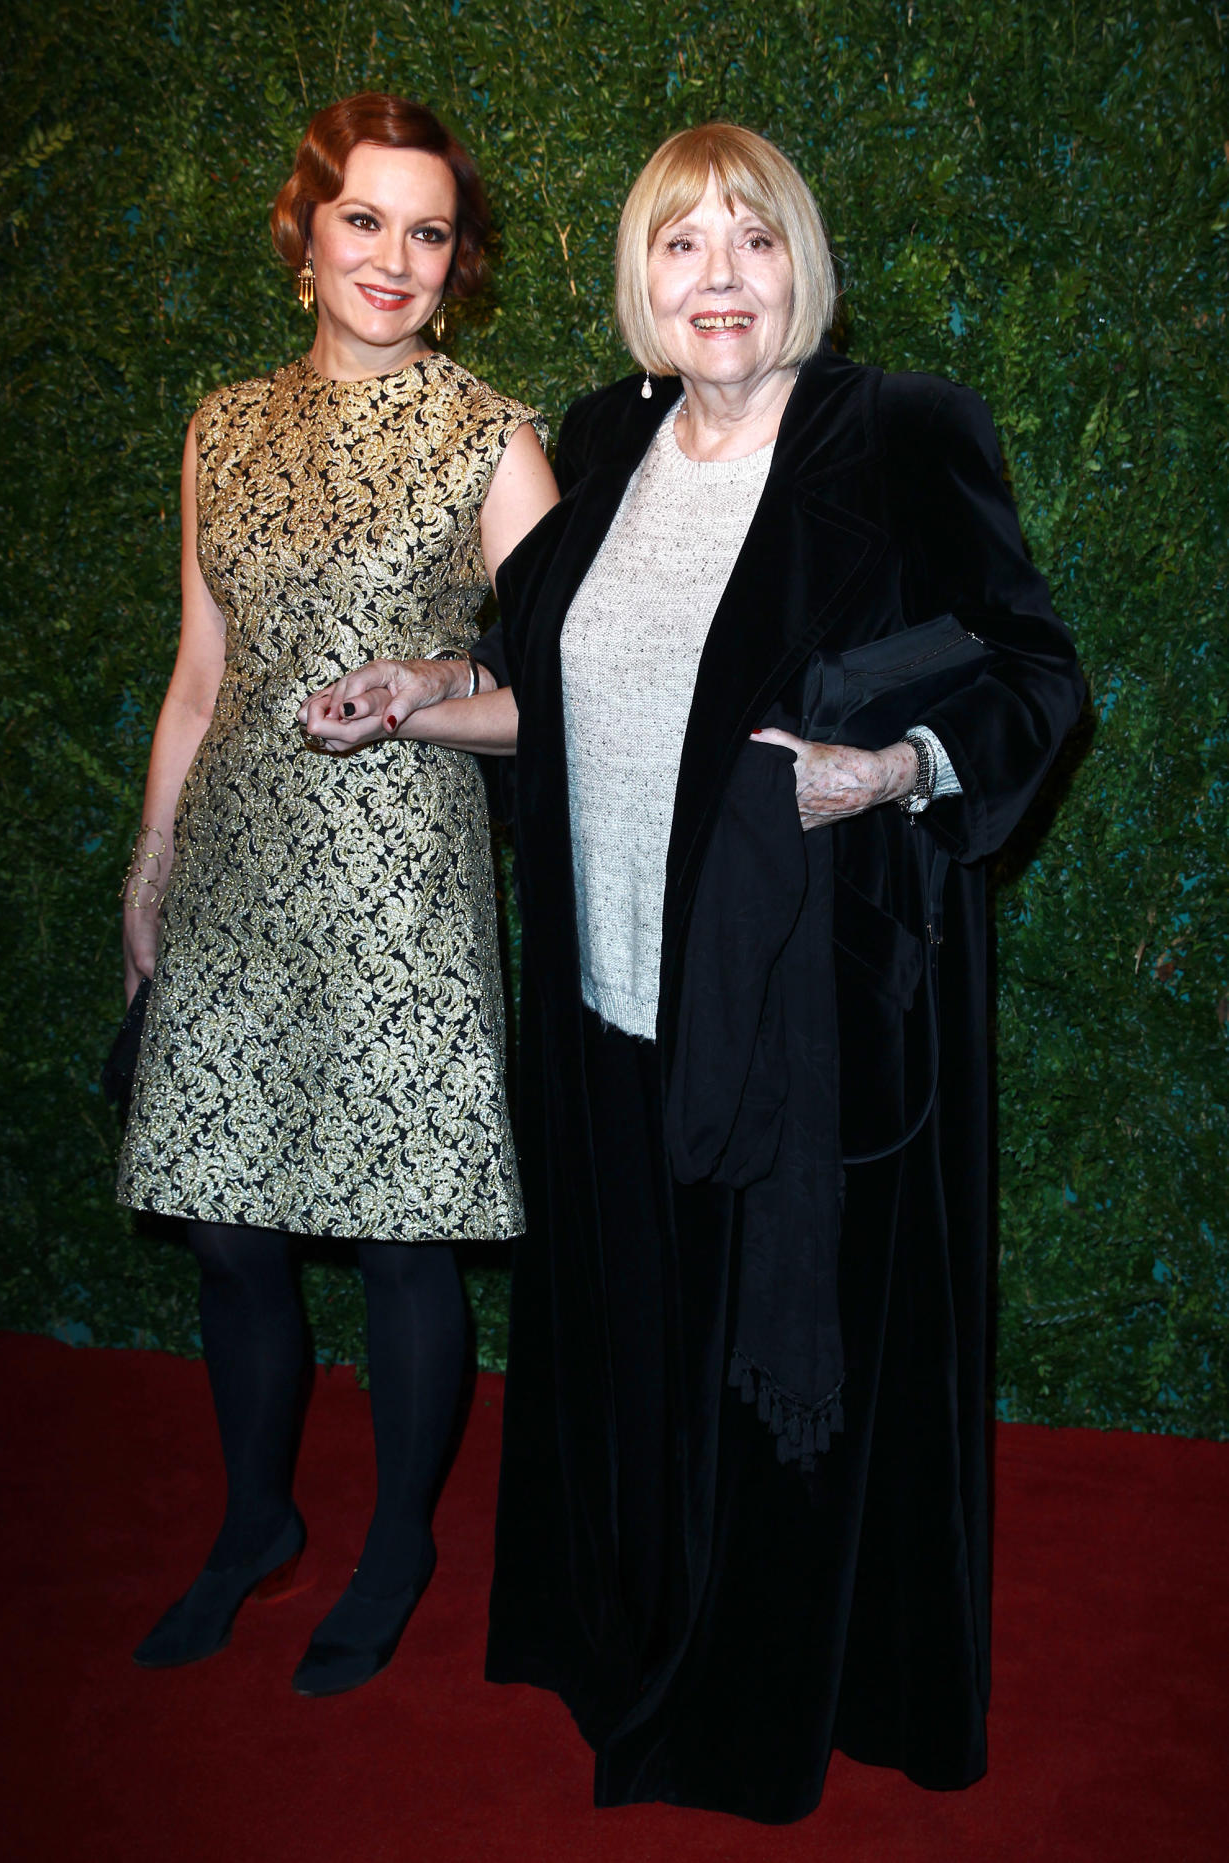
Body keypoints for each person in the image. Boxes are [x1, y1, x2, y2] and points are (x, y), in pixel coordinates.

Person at [304, 123, 1083, 1819]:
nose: (715, 279)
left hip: (804, 1013)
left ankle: (759, 1691)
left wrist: (894, 773)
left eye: (748, 241)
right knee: (641, 1341)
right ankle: (631, 1634)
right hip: (608, 999)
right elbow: (553, 691)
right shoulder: (603, 438)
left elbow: (1032, 676)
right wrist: (415, 695)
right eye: (679, 247)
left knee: (774, 1361)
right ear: (637, 282)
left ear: (798, 260)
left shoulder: (901, 435)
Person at [116, 91, 557, 1697]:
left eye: (427, 230)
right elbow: (197, 674)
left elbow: (560, 690)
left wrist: (430, 685)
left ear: (456, 262)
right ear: (303, 236)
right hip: (233, 863)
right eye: (364, 220)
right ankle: (251, 1526)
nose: (394, 257)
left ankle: (394, 1549)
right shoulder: (221, 424)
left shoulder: (487, 432)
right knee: (230, 1228)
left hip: (401, 879)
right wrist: (148, 868)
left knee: (396, 1238)